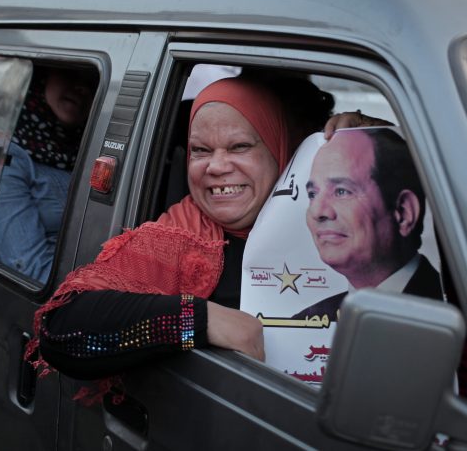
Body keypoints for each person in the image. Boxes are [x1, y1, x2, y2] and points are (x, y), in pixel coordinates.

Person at [30, 77, 369, 396]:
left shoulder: (343, 215)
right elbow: (62, 332)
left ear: (281, 151)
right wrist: (201, 321)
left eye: (239, 146)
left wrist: (381, 144)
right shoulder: (184, 234)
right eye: (201, 151)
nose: (217, 166)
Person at [297, 128, 444, 321]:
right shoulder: (307, 320)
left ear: (403, 211)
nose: (317, 212)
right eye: (312, 194)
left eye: (341, 191)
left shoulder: (458, 313)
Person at [0, 68, 96, 283]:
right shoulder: (5, 153)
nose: (81, 87)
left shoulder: (92, 146)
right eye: (71, 72)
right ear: (41, 77)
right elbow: (27, 269)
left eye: (93, 80)